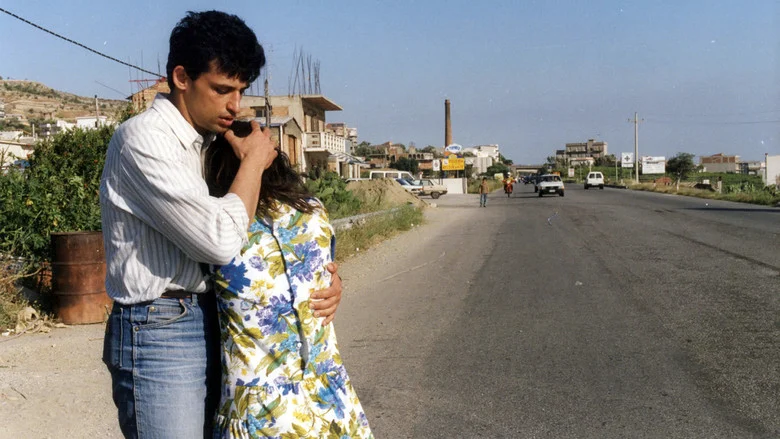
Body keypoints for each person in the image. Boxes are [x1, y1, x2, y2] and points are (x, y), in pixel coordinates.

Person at [100, 11, 342, 439]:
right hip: (160, 327)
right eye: (222, 89)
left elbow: (279, 229)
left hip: (220, 318)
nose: (235, 104)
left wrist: (325, 280)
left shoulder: (212, 141)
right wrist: (252, 162)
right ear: (181, 77)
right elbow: (220, 241)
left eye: (241, 90)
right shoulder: (145, 139)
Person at [205, 136, 373, 438]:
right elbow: (325, 273)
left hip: (261, 413)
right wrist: (336, 284)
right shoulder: (312, 211)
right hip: (330, 398)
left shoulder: (218, 230)